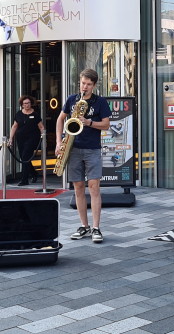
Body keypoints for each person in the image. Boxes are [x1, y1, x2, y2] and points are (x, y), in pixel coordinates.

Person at [56, 69, 111, 244]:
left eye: (88, 84)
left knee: (94, 188)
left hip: (92, 148)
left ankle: (96, 228)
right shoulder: (72, 100)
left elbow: (106, 125)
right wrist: (58, 142)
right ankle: (84, 226)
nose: (84, 87)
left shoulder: (100, 101)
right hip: (73, 148)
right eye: (82, 83)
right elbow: (60, 120)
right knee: (78, 187)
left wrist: (89, 122)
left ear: (94, 85)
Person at [9, 95, 44, 186]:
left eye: (28, 103)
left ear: (31, 103)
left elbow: (41, 127)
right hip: (21, 138)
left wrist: (43, 137)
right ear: (22, 105)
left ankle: (24, 179)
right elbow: (14, 126)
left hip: (32, 138)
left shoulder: (35, 114)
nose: (27, 105)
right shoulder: (19, 114)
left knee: (25, 156)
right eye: (25, 103)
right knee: (24, 158)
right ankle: (34, 173)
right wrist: (10, 138)